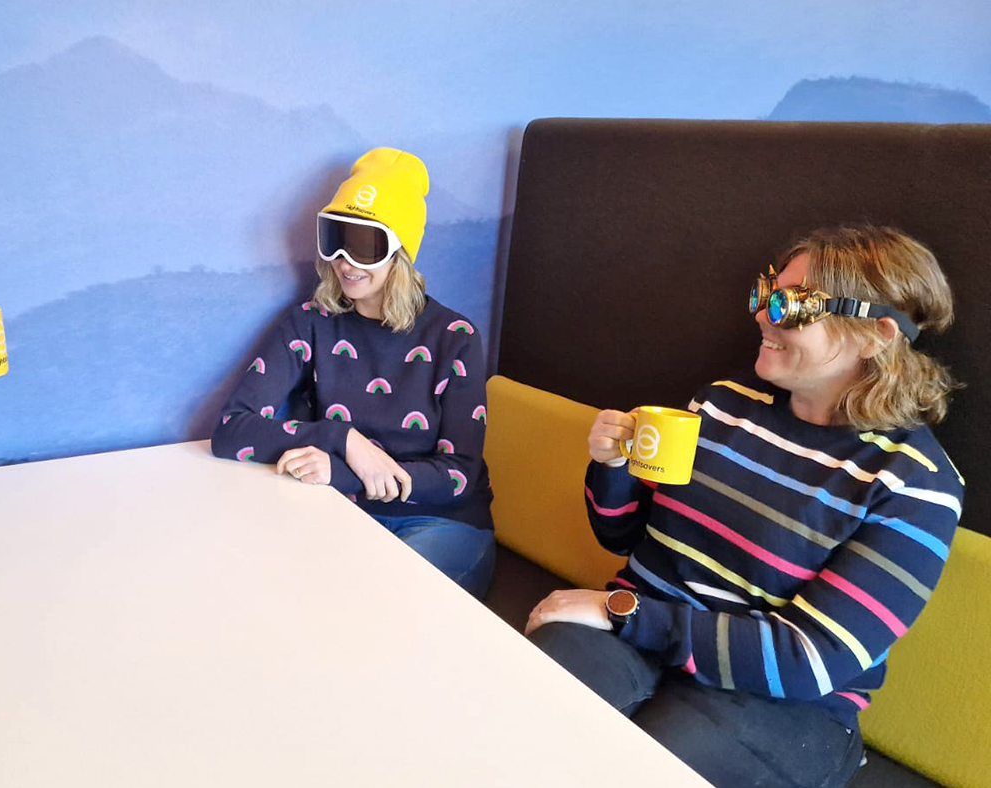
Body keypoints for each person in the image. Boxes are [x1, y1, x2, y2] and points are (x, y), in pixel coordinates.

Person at [524, 225, 963, 788]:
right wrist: (612, 469)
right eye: (765, 294)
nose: (761, 315)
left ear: (875, 335)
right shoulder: (722, 404)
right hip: (642, 634)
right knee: (525, 707)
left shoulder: (915, 484)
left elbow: (810, 659)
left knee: (648, 767)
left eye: (791, 304)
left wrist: (621, 612)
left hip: (785, 700)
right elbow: (623, 539)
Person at [211, 147, 495, 598]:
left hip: (440, 523)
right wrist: (341, 438)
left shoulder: (454, 337)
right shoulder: (311, 322)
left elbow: (457, 477)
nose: (345, 262)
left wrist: (340, 473)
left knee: (379, 602)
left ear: (400, 252)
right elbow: (231, 431)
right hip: (338, 513)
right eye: (336, 238)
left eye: (365, 244)